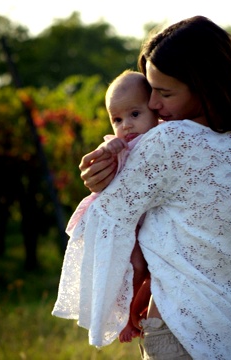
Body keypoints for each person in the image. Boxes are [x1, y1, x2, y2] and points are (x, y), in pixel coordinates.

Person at [52, 15, 231, 359]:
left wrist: (100, 187)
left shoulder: (171, 141)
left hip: (181, 334)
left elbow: (107, 219)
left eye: (165, 92)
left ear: (204, 86)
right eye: (151, 89)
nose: (153, 105)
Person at [64, 70, 161, 344]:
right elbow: (99, 163)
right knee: (136, 266)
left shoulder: (159, 140)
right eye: (117, 119)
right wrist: (109, 150)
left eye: (134, 114)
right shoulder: (117, 145)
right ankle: (126, 317)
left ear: (155, 113)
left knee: (152, 275)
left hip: (145, 224)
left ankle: (136, 314)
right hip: (124, 224)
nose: (126, 126)